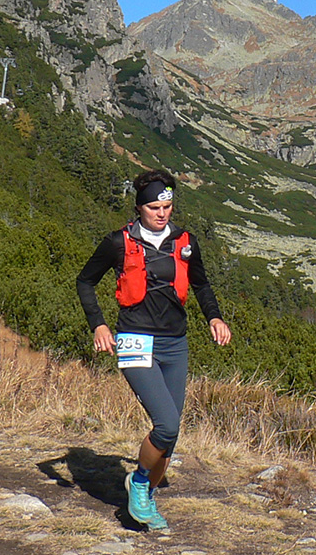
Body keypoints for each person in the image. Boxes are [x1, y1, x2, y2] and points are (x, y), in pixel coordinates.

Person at [77, 169, 232, 531]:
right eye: (154, 207)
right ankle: (141, 483)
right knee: (165, 424)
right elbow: (85, 281)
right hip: (135, 340)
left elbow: (201, 284)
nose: (162, 213)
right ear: (139, 208)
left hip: (175, 343)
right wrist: (98, 324)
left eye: (167, 205)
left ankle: (145, 495)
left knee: (171, 435)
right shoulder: (118, 242)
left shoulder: (185, 242)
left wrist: (215, 317)